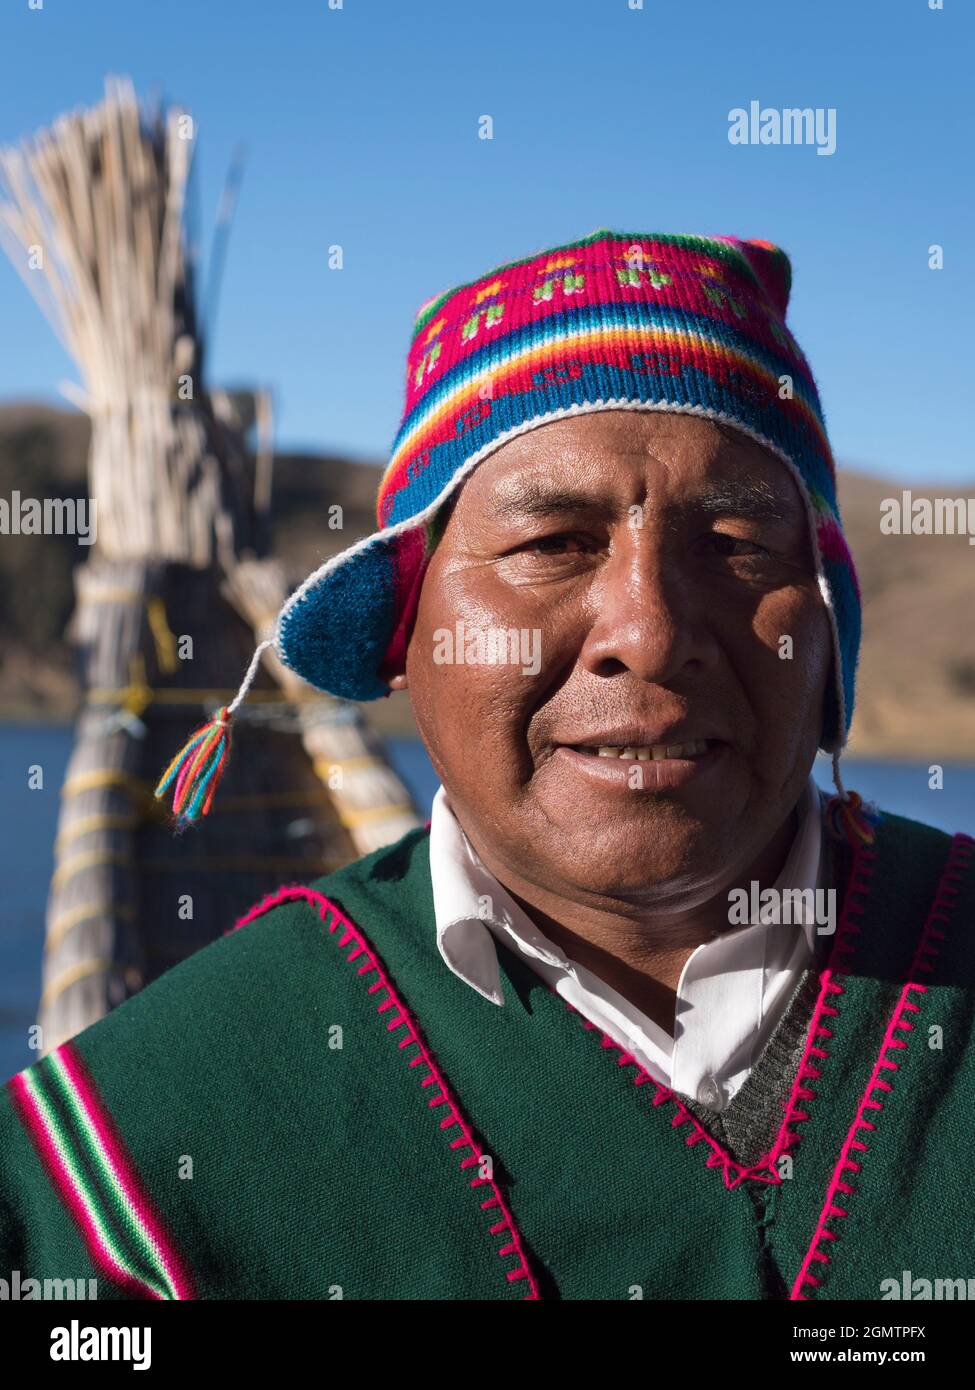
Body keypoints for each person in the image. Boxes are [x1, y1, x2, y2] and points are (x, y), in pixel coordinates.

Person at [2, 230, 972, 1302]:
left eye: (736, 541)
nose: (647, 632)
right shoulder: (151, 1137)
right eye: (553, 543)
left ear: (828, 630)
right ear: (406, 634)